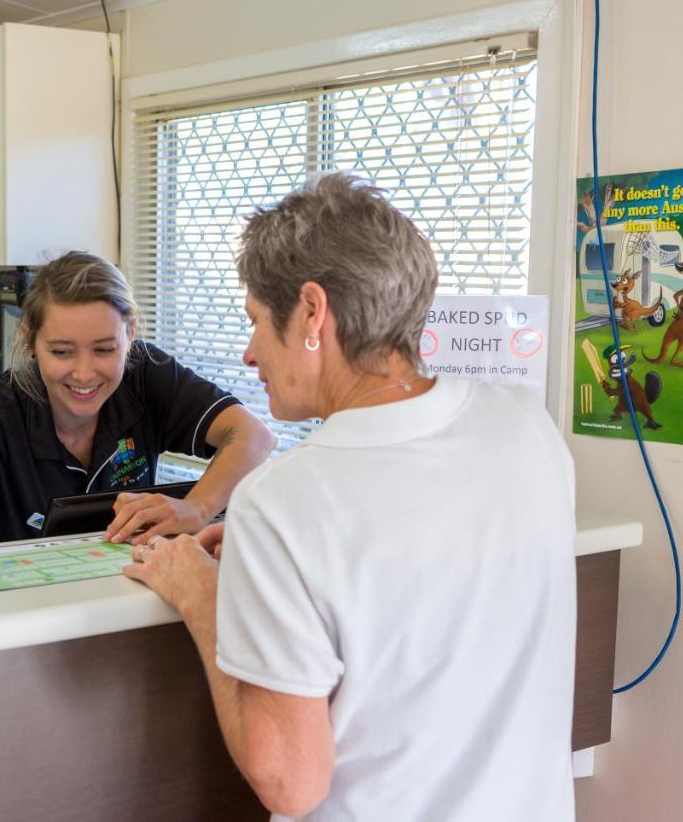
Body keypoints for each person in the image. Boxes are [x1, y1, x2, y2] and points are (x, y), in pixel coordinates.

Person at [124, 173, 576, 821]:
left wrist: (203, 595)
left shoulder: (283, 502)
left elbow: (290, 781)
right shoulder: (525, 425)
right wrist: (271, 574)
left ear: (312, 312)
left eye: (255, 321)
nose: (250, 353)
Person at [0, 252, 274, 558]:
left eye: (105, 350)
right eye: (61, 351)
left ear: (130, 334)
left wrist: (196, 509)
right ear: (30, 341)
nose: (83, 373)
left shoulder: (147, 375)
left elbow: (253, 436)